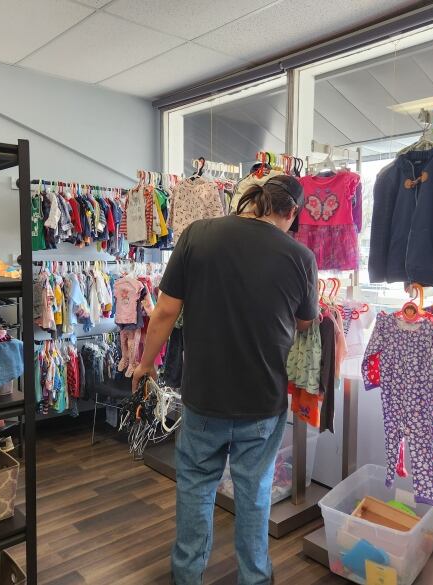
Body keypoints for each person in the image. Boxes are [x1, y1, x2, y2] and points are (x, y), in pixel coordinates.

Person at [132, 175, 318, 585]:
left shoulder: (199, 234)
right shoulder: (301, 257)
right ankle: (255, 577)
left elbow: (163, 313)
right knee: (254, 494)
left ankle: (187, 576)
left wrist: (145, 365)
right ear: (292, 212)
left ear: (257, 201)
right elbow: (306, 323)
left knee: (196, 488)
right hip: (263, 398)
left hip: (204, 396)